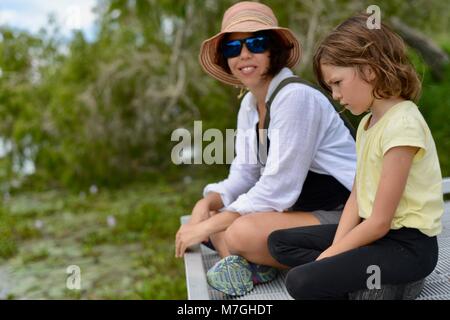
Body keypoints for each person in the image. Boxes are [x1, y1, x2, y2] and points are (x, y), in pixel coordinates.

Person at [175, 1, 356, 296]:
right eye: (233, 48)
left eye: (256, 43)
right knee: (219, 220)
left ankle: (252, 262)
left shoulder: (295, 98)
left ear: (273, 49)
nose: (244, 54)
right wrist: (205, 205)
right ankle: (252, 265)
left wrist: (207, 228)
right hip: (301, 212)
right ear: (226, 59)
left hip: (344, 212)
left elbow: (277, 189)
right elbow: (243, 178)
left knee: (237, 231)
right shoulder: (249, 105)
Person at [268, 13, 444, 300]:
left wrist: (329, 258)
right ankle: (367, 281)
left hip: (408, 247)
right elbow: (358, 195)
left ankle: (398, 284)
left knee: (300, 282)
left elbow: (379, 222)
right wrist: (335, 251)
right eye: (330, 87)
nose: (335, 95)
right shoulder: (367, 123)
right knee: (278, 242)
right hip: (375, 235)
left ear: (369, 69)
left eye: (337, 82)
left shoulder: (403, 125)